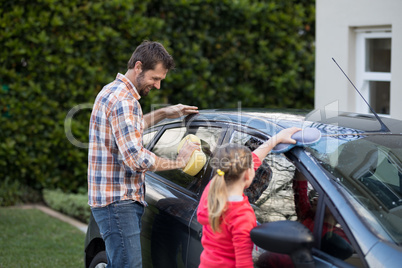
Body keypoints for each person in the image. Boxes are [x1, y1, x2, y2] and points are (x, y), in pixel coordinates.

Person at [88, 41, 199, 268]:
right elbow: (136, 158)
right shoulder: (124, 101)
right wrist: (180, 161)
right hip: (118, 202)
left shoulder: (112, 91)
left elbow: (128, 128)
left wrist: (165, 113)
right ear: (138, 67)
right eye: (154, 78)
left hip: (110, 200)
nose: (157, 86)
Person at [197, 127, 300, 268]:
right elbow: (243, 264)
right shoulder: (242, 217)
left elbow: (253, 159)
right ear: (248, 174)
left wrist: (276, 139)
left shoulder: (212, 188)